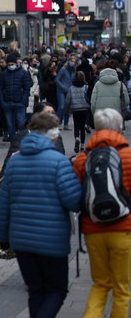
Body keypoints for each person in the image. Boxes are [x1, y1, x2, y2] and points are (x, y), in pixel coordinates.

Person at [0, 113, 81, 318]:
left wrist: (3, 239)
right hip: (52, 241)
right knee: (57, 290)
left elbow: (3, 205)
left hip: (21, 240)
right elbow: (74, 201)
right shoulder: (59, 162)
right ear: (52, 135)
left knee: (36, 291)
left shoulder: (15, 163)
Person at [73, 109, 131, 318]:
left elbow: (75, 195)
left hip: (93, 229)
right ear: (119, 127)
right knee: (121, 288)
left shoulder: (82, 158)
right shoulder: (127, 156)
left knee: (100, 284)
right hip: (124, 229)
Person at [0, 53, 31, 140]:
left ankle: (22, 142)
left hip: (19, 103)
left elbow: (27, 88)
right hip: (8, 103)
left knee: (21, 124)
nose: (10, 66)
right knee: (10, 124)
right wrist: (3, 102)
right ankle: (13, 142)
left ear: (16, 63)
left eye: (12, 64)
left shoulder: (23, 73)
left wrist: (23, 101)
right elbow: (0, 89)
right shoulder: (4, 74)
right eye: (8, 64)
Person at [65, 71, 89, 153]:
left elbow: (67, 100)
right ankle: (82, 146)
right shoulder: (86, 87)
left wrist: (67, 110)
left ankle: (77, 138)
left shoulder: (71, 88)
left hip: (75, 109)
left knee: (77, 126)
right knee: (82, 127)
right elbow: (88, 97)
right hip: (84, 108)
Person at [56, 54, 77, 129]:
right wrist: (63, 87)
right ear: (68, 61)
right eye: (71, 60)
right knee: (61, 107)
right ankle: (58, 123)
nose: (73, 62)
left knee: (67, 107)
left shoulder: (74, 70)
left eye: (74, 61)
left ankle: (66, 124)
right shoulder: (63, 69)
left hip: (69, 90)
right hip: (61, 90)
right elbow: (57, 80)